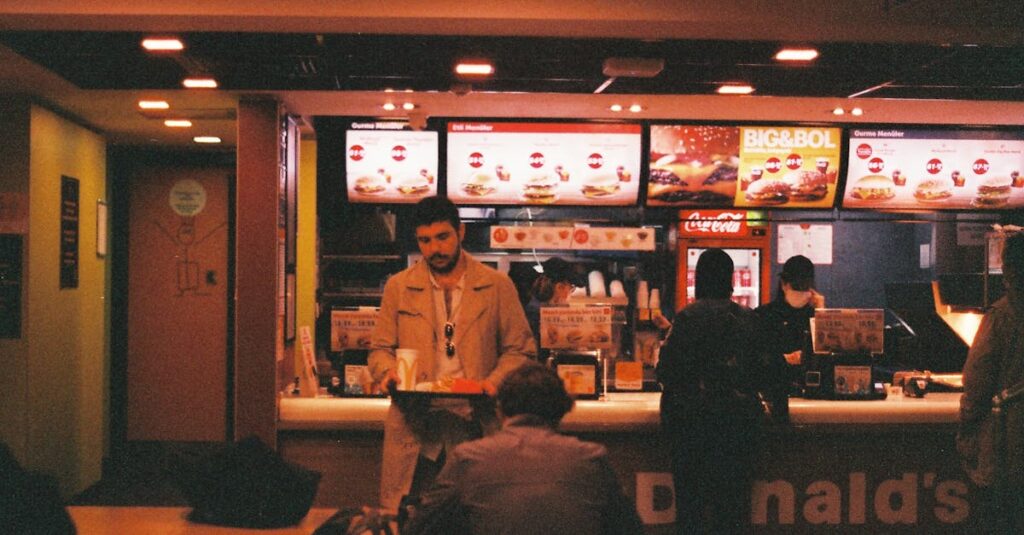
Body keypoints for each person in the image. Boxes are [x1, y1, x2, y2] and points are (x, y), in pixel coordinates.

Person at [368, 196, 537, 512]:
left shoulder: (497, 286)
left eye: (442, 237)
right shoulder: (399, 287)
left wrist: (496, 380)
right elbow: (380, 350)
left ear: (460, 231)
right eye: (425, 240)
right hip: (416, 429)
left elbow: (521, 350)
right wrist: (387, 373)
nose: (434, 249)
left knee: (481, 518)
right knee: (413, 521)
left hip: (478, 423)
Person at [404, 362, 644, 535]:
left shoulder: (468, 459)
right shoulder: (591, 459)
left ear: (500, 409)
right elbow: (629, 529)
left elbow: (419, 528)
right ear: (562, 411)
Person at [656, 248, 781, 534]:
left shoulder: (686, 319)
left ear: (698, 280)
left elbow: (666, 372)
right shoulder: (749, 319)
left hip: (691, 429)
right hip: (738, 428)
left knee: (692, 511)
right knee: (733, 512)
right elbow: (769, 372)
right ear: (731, 282)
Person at [958, 231, 1024, 533]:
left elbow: (976, 384)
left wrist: (966, 435)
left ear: (1009, 270)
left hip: (1008, 451)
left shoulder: (1003, 315)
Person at [523, 257, 585, 352]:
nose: (570, 294)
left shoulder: (537, 308)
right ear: (559, 287)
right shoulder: (535, 314)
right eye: (571, 289)